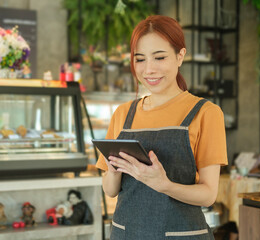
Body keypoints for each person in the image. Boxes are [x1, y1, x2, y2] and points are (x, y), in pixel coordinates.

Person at [95, 15, 227, 240]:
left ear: (180, 56)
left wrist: (164, 185)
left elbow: (208, 195)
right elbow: (110, 190)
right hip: (126, 234)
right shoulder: (123, 114)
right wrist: (114, 170)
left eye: (159, 57)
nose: (149, 70)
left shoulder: (206, 113)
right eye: (140, 59)